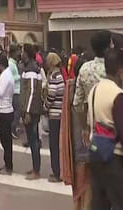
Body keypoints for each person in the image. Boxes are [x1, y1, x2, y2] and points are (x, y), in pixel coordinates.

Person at [89, 48, 123, 209]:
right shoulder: (117, 94)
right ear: (120, 70)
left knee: (100, 204)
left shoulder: (94, 90)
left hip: (96, 155)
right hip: (115, 160)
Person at [60, 56, 92, 210]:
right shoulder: (85, 88)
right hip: (85, 149)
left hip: (77, 148)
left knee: (81, 193)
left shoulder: (71, 87)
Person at [21, 43, 43, 180]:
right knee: (31, 139)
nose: (21, 54)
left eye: (23, 51)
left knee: (34, 140)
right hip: (29, 109)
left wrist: (27, 111)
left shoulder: (31, 70)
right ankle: (35, 168)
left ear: (27, 53)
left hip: (32, 111)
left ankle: (37, 171)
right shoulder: (30, 68)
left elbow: (32, 92)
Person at [0, 53, 14, 175]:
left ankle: (8, 166)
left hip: (4, 110)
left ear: (0, 65)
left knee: (5, 141)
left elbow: (0, 92)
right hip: (7, 109)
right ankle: (7, 164)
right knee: (6, 141)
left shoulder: (4, 76)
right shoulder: (8, 74)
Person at [45, 52, 65, 183]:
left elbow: (51, 94)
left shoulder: (54, 77)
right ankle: (59, 170)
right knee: (58, 144)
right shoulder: (61, 76)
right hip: (60, 113)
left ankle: (56, 172)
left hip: (54, 114)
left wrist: (45, 106)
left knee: (53, 145)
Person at [7, 45, 22, 139]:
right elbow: (11, 77)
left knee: (16, 110)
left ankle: (13, 127)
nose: (19, 53)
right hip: (15, 90)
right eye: (17, 51)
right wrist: (20, 76)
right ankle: (13, 127)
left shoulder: (14, 63)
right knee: (18, 110)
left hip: (17, 89)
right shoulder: (11, 64)